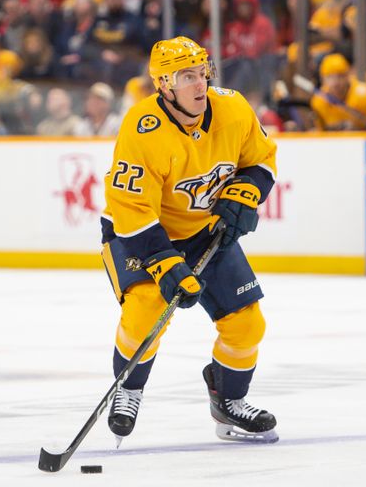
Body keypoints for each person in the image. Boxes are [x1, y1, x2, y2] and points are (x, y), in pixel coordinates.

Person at [100, 36, 278, 446]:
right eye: (187, 77)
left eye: (203, 73)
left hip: (202, 231)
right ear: (164, 85)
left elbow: (261, 160)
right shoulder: (142, 127)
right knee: (147, 309)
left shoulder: (232, 108)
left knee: (247, 323)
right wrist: (164, 263)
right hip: (140, 234)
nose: (201, 85)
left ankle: (229, 401)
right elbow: (131, 209)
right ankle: (128, 386)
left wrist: (246, 192)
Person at [310, 53, 366, 131]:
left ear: (348, 75)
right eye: (329, 77)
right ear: (322, 79)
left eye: (340, 76)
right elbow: (319, 132)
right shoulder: (318, 101)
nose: (335, 83)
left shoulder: (365, 94)